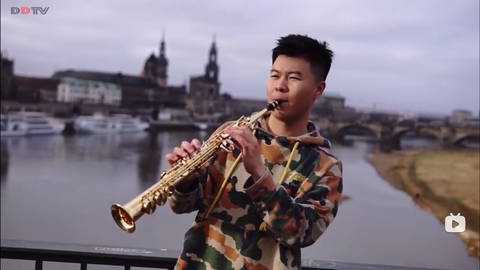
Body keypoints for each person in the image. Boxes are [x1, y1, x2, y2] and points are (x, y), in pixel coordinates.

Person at [166, 34, 343, 270]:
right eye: (274, 75)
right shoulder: (230, 132)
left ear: (317, 90)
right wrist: (185, 180)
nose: (280, 85)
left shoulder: (325, 165)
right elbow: (182, 205)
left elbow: (301, 234)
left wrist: (259, 172)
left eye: (293, 77)